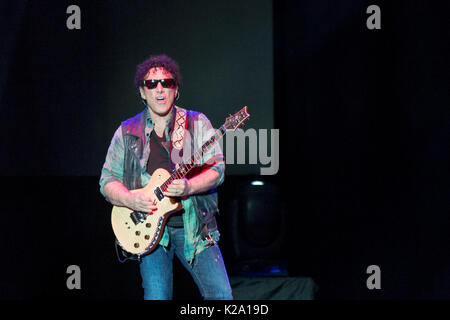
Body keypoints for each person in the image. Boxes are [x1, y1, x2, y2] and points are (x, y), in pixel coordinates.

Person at [99, 54, 233, 300]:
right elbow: (107, 181)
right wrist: (130, 200)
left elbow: (217, 169)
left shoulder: (197, 122)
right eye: (151, 84)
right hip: (149, 233)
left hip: (195, 230)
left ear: (176, 89)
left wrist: (189, 186)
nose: (159, 90)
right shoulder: (127, 131)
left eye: (166, 83)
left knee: (222, 296)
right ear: (142, 92)